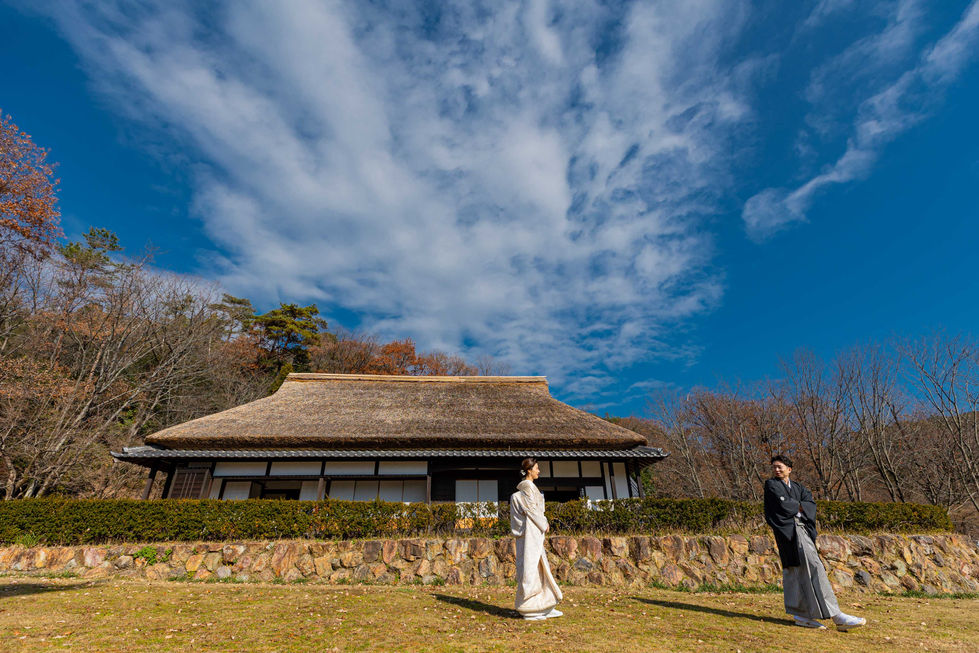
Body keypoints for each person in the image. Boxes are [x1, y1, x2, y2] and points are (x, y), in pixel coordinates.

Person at [764, 454, 866, 631]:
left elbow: (810, 504)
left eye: (780, 466)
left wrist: (795, 506)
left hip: (801, 529)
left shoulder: (798, 487)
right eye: (774, 467)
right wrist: (798, 506)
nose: (776, 469)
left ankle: (809, 615)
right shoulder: (771, 485)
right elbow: (782, 504)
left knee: (811, 567)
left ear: (789, 469)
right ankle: (829, 616)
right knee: (797, 569)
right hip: (787, 532)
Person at [510, 457, 563, 621]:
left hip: (533, 535)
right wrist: (543, 523)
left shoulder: (529, 489)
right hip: (530, 536)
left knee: (539, 569)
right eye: (537, 468)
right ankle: (530, 608)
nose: (539, 471)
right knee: (530, 569)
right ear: (529, 471)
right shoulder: (527, 489)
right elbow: (532, 510)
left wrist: (542, 523)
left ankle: (544, 607)